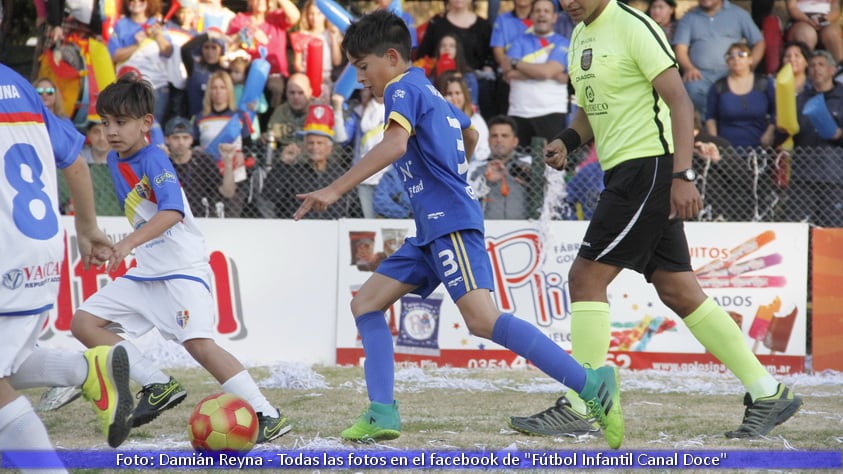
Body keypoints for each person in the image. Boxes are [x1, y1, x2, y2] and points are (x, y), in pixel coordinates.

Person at [294, 10, 623, 448]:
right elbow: (468, 133)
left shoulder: (400, 88)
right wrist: (454, 170)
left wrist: (334, 189)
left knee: (483, 320)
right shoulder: (426, 90)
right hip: (431, 229)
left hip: (448, 223)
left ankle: (590, 383)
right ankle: (381, 412)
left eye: (361, 66)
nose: (359, 77)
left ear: (391, 57)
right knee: (366, 304)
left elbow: (393, 144)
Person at [512, 0, 801, 440]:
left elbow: (680, 102)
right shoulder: (579, 38)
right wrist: (568, 140)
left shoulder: (633, 25)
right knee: (679, 290)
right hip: (625, 171)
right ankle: (767, 392)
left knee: (585, 277)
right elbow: (591, 110)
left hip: (647, 168)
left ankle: (582, 403)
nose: (567, 3)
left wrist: (682, 176)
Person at [70, 76, 291, 445]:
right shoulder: (112, 159)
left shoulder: (155, 155)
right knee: (84, 323)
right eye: (104, 122)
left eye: (120, 122)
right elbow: (143, 216)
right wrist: (114, 246)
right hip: (149, 270)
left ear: (145, 123)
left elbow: (172, 210)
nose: (110, 131)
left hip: (182, 269)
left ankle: (267, 413)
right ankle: (157, 384)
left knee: (199, 345)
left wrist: (126, 245)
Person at [0, 62, 134, 461]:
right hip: (40, 250)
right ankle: (86, 370)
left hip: (6, 252)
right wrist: (87, 227)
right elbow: (75, 161)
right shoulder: (19, 86)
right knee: (11, 362)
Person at [673, 0, 765, 116]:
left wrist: (749, 66)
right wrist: (688, 68)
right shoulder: (689, 18)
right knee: (690, 89)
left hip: (731, 73)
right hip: (701, 75)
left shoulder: (738, 14)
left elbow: (759, 42)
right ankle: (706, 126)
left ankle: (720, 124)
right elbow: (680, 48)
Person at [264, 104, 356, 218]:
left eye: (319, 143)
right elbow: (269, 195)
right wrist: (283, 163)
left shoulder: (340, 174)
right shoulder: (293, 172)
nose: (314, 147)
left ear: (329, 148)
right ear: (304, 146)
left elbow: (353, 208)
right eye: (310, 143)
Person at [502, 0, 570, 147]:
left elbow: (546, 72)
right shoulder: (518, 42)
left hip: (552, 111)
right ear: (530, 16)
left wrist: (517, 64)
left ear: (554, 17)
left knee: (550, 164)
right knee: (519, 165)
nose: (542, 15)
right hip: (519, 111)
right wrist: (551, 73)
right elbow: (508, 72)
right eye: (537, 11)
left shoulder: (563, 43)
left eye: (546, 11)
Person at [787, 49, 843, 226]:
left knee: (832, 229)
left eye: (821, 65)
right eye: (811, 65)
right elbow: (788, 134)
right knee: (798, 228)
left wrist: (840, 135)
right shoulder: (799, 100)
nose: (816, 69)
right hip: (803, 176)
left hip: (834, 177)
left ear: (832, 70)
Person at [108, 0, 174, 124]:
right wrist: (136, 45)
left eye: (141, 0)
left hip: (156, 86)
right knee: (131, 128)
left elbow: (168, 52)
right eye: (131, 0)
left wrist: (158, 35)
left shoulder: (157, 24)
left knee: (154, 127)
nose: (136, 3)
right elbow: (114, 56)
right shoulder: (121, 25)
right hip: (129, 87)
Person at [164, 116, 236, 218]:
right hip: (169, 218)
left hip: (203, 219)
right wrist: (160, 161)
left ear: (191, 140)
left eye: (185, 137)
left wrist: (228, 162)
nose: (181, 142)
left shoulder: (204, 161)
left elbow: (228, 192)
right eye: (176, 138)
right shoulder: (163, 163)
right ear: (167, 140)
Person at [468, 115, 532, 219]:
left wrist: (531, 181)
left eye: (504, 136)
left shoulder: (529, 164)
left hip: (525, 229)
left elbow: (552, 192)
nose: (499, 140)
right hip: (487, 229)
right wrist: (485, 179)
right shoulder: (475, 167)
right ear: (488, 140)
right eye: (494, 136)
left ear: (515, 141)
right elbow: (465, 196)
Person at [437, 71, 490, 165]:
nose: (453, 97)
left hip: (474, 164)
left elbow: (484, 149)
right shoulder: (438, 120)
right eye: (449, 93)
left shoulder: (476, 119)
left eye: (457, 93)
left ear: (465, 95)